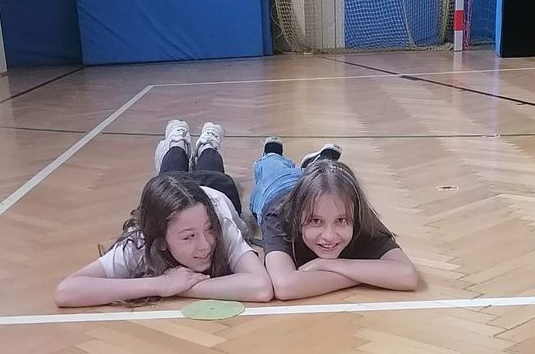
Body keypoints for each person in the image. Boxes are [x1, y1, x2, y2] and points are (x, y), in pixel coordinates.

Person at [56, 121, 272, 306]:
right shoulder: (140, 241)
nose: (205, 244)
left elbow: (261, 287)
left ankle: (208, 143)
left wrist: (181, 288)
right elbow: (67, 291)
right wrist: (157, 284)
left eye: (208, 229)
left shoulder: (219, 223)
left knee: (211, 167)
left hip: (215, 191)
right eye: (188, 236)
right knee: (168, 176)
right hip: (174, 191)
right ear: (160, 241)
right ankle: (177, 143)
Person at [249, 139, 418, 301]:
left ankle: (316, 166)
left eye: (341, 220)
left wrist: (328, 265)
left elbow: (406, 276)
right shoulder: (280, 217)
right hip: (277, 188)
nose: (329, 236)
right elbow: (284, 286)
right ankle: (273, 154)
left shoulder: (356, 213)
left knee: (327, 179)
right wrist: (370, 276)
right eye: (315, 221)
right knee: (271, 167)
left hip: (319, 191)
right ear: (297, 218)